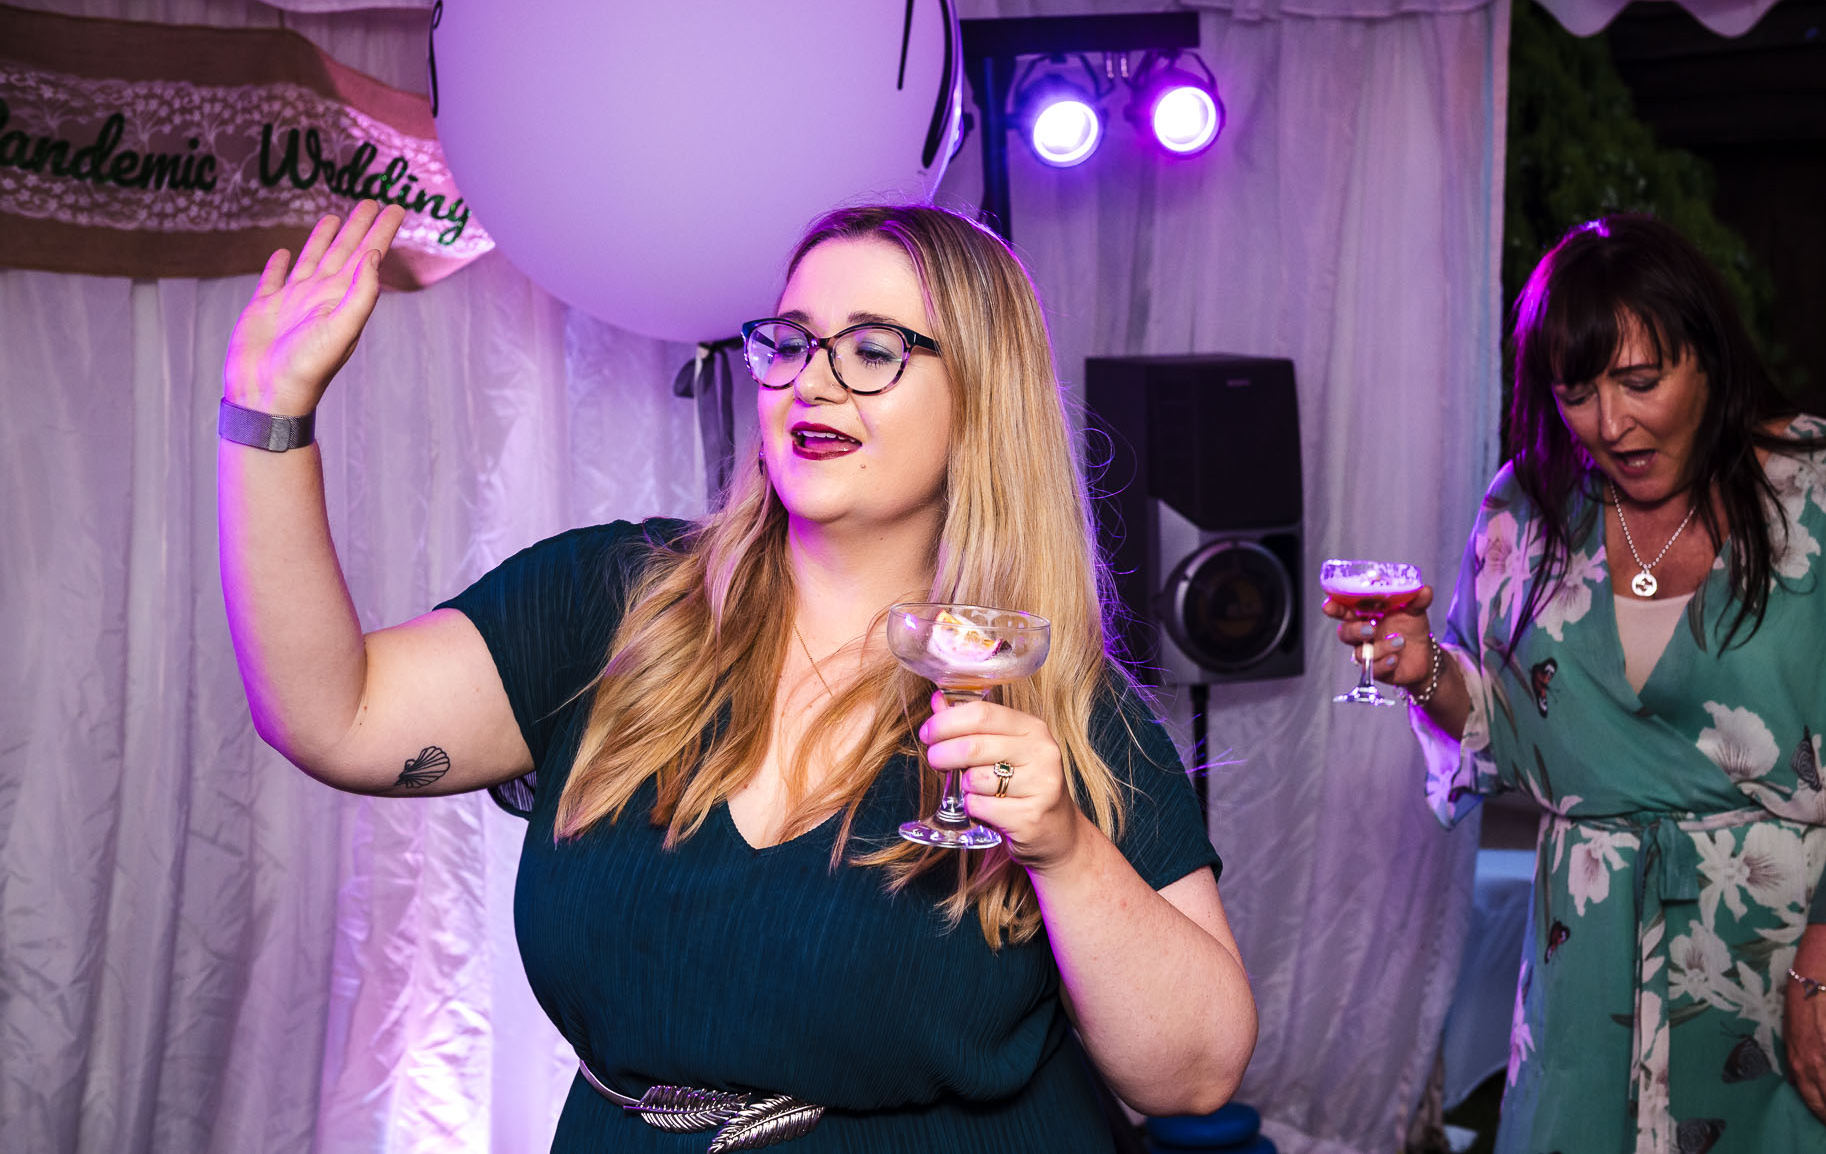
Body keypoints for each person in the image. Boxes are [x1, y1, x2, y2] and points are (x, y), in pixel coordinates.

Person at [218, 199, 1257, 1151]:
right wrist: (265, 415)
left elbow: (1196, 1072)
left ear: (982, 399)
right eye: (791, 340)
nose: (813, 378)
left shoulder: (1051, 698)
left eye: (871, 350)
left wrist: (1064, 849)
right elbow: (334, 715)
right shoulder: (611, 603)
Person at [1325, 215, 1826, 1153]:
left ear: (1710, 358)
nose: (1612, 423)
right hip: (1595, 978)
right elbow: (1512, 733)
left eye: (1642, 382)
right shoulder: (1526, 509)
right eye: (1579, 392)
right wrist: (1424, 671)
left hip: (1818, 954)